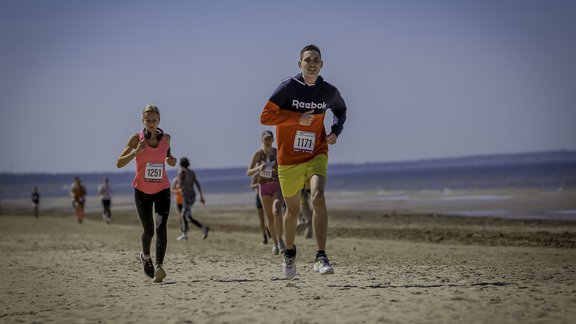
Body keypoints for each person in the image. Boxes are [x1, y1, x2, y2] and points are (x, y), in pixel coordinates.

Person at [260, 44, 347, 279]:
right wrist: (297, 117)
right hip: (289, 159)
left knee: (318, 196)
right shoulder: (289, 87)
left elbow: (340, 109)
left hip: (316, 152)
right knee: (293, 210)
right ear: (300, 64)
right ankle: (289, 253)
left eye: (316, 59)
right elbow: (265, 116)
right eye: (307, 60)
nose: (312, 63)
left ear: (322, 64)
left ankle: (321, 256)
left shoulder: (328, 91)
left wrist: (335, 131)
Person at [116, 104, 177, 283]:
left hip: (162, 190)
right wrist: (136, 152)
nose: (151, 123)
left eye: (154, 120)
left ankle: (159, 266)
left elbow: (166, 156)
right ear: (143, 121)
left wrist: (170, 160)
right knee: (149, 230)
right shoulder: (137, 139)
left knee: (161, 227)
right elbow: (119, 163)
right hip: (142, 191)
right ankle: (146, 257)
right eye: (148, 120)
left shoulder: (166, 138)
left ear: (159, 120)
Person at [247, 130, 285, 255]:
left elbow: (285, 166)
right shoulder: (258, 154)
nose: (268, 141)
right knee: (269, 217)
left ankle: (280, 240)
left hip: (277, 186)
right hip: (264, 187)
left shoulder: (276, 152)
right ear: (262, 140)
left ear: (273, 140)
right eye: (266, 139)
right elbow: (249, 172)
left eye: (270, 138)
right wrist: (258, 168)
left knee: (277, 211)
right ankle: (274, 243)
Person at [175, 157, 209, 241]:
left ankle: (185, 234)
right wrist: (201, 196)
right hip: (192, 195)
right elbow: (197, 184)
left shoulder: (180, 172)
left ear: (181, 164)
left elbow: (179, 185)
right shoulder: (192, 172)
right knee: (187, 216)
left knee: (183, 215)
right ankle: (201, 228)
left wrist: (177, 185)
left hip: (185, 195)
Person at [251, 174, 269, 245]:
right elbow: (251, 186)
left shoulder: (268, 173)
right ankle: (264, 236)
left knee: (268, 217)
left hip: (267, 196)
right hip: (258, 196)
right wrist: (259, 184)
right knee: (261, 219)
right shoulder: (256, 175)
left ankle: (269, 229)